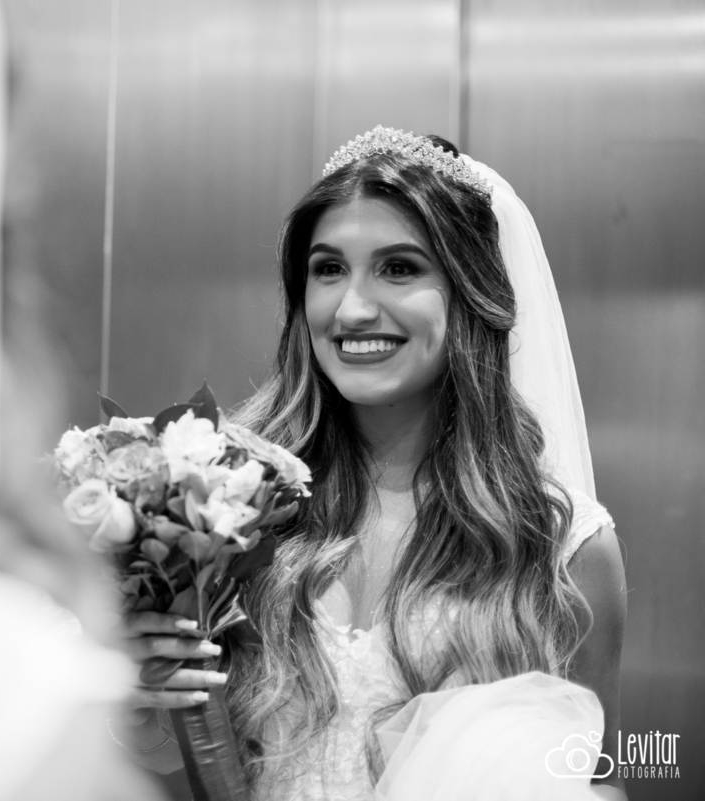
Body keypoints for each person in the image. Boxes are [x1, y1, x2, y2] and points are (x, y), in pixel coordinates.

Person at [110, 128, 627, 800]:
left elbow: (617, 769)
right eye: (328, 269)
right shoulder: (220, 502)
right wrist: (139, 696)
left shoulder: (568, 544)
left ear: (472, 294)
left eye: (399, 267)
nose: (353, 308)